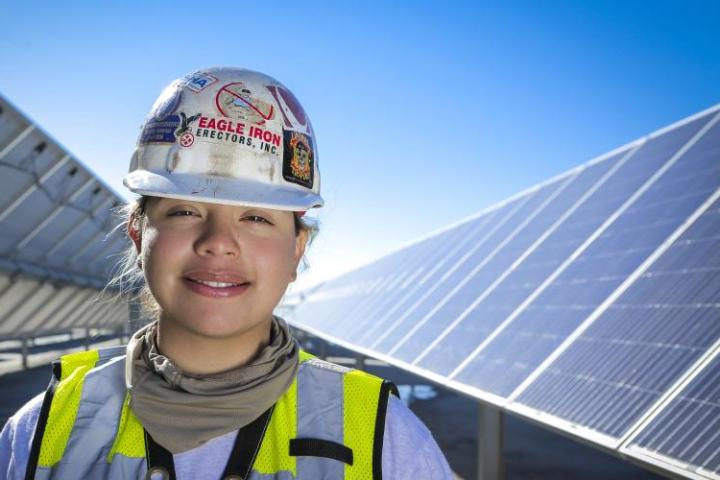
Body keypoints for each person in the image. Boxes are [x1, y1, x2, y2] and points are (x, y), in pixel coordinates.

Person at [0, 67, 454, 479]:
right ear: (138, 237)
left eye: (257, 218)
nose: (218, 241)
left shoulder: (385, 439)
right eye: (184, 210)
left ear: (297, 250)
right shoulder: (40, 430)